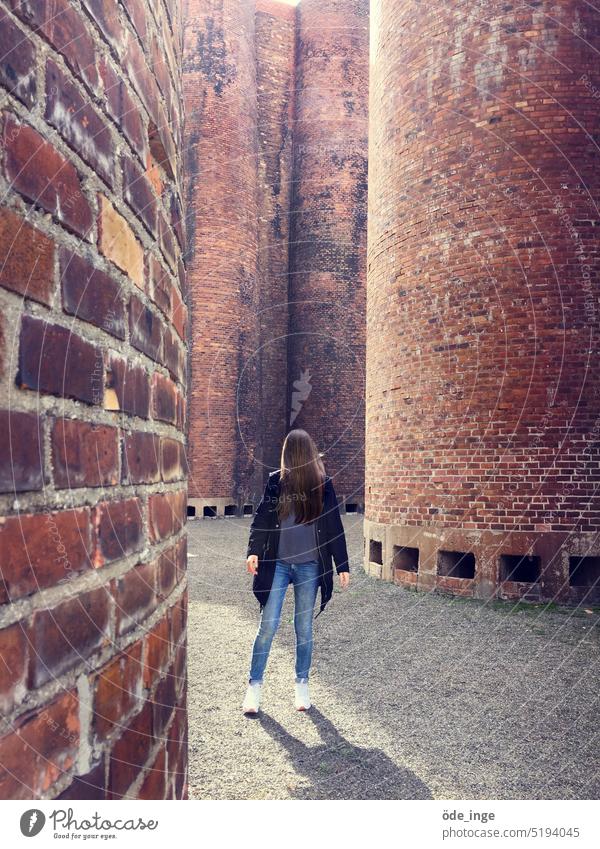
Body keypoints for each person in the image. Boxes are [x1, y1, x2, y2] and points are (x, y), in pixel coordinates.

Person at [242, 429, 350, 715]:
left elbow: (333, 526)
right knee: (268, 625)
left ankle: (302, 684)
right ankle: (254, 687)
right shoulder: (276, 482)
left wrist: (342, 565)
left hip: (310, 567)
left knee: (303, 628)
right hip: (277, 564)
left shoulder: (323, 485)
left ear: (292, 453)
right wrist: (253, 551)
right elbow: (262, 519)